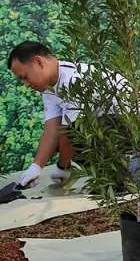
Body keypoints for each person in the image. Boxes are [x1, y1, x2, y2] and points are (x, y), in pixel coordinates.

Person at [7, 42, 104, 188]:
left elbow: (71, 132)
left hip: (133, 127)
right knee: (62, 140)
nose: (26, 84)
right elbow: (52, 128)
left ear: (38, 62)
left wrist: (63, 166)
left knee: (76, 138)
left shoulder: (73, 79)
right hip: (105, 126)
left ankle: (120, 180)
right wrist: (36, 167)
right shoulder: (49, 86)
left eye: (25, 77)